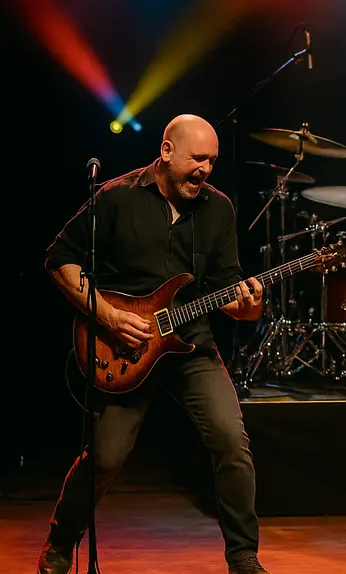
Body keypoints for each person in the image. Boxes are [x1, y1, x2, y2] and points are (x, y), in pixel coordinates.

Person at [38, 114, 270, 574]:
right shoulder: (116, 197)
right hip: (123, 347)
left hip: (190, 346)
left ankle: (243, 557)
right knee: (104, 457)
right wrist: (108, 316)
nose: (205, 169)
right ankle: (61, 543)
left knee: (231, 442)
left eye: (213, 161)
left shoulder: (218, 208)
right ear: (167, 152)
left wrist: (249, 307)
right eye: (197, 158)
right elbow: (59, 260)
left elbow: (228, 290)